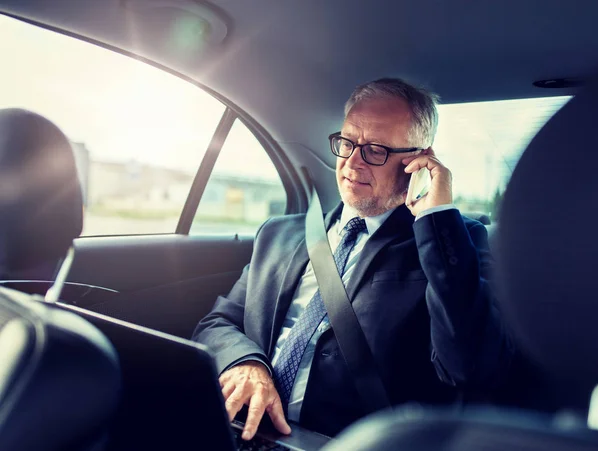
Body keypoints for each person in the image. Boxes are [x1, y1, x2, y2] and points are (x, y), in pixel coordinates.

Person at [192, 78, 513, 439]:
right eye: (347, 143)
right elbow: (217, 323)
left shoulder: (452, 242)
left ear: (418, 159)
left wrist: (435, 220)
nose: (353, 162)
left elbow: (471, 367)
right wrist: (245, 363)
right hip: (246, 435)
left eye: (375, 149)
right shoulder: (278, 235)